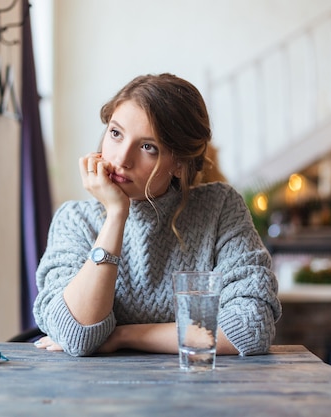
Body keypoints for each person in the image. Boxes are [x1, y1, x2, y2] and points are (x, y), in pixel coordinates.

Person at [33, 73, 281, 357]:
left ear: (178, 163)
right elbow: (75, 335)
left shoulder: (219, 208)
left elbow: (250, 328)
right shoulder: (75, 219)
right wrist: (116, 215)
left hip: (199, 391)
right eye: (115, 133)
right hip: (96, 396)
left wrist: (124, 335)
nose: (121, 159)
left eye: (147, 147)